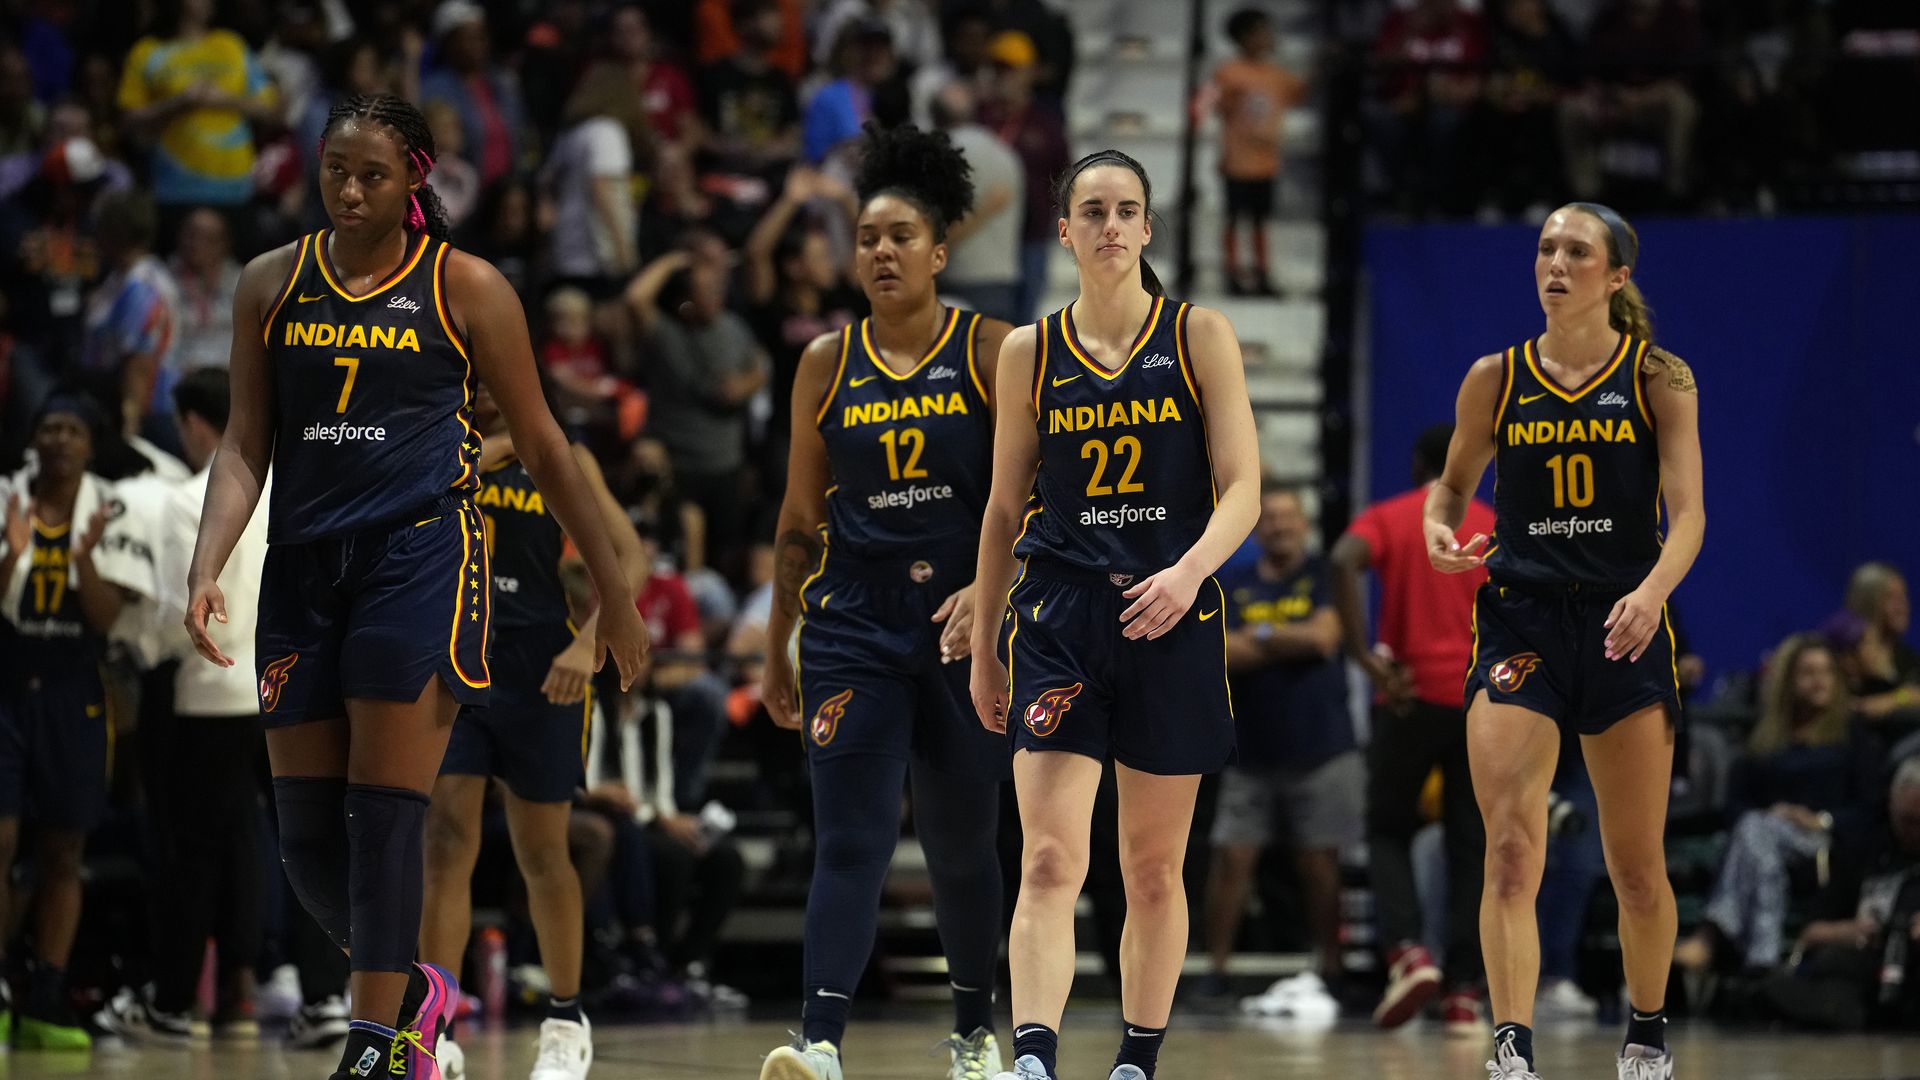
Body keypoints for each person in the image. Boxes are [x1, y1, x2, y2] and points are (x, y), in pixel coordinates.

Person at [181, 93, 648, 1080]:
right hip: (304, 566)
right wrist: (208, 561)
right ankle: (412, 986)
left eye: (373, 175)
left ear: (413, 182)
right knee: (305, 840)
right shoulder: (271, 282)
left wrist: (615, 597)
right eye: (335, 171)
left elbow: (548, 449)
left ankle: (380, 1044)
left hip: (416, 563)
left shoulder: (467, 287)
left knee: (384, 811)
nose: (350, 190)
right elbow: (242, 444)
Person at [970, 149, 1260, 1080]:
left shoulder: (1198, 333)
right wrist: (983, 649)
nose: (1107, 225)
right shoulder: (1029, 351)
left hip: (1170, 614)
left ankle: (1137, 1059)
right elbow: (1003, 510)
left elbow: (1246, 487)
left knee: (1149, 869)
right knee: (1051, 860)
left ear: (1146, 229)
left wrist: (1187, 574)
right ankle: (1034, 1060)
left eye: (1124, 210)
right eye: (1089, 211)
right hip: (1057, 618)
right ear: (1063, 231)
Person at [759, 122, 1015, 1080]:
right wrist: (778, 642)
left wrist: (991, 602)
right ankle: (818, 1043)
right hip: (853, 627)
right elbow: (797, 514)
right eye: (867, 236)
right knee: (853, 839)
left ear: (940, 251)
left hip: (959, 629)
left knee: (959, 843)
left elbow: (1031, 497)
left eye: (901, 235)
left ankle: (973, 1031)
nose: (881, 251)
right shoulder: (825, 362)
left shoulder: (991, 349)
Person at [1425, 203, 1703, 1080]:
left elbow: (1689, 515)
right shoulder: (1494, 377)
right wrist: (1442, 530)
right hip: (1522, 619)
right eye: (1546, 247)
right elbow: (1451, 487)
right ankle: (1512, 1051)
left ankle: (1646, 1038)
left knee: (1637, 868)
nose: (1554, 263)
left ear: (1616, 276)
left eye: (1576, 251)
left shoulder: (1661, 375)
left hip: (1624, 622)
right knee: (1510, 846)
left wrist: (1654, 594)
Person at [420, 379, 649, 1080]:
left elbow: (629, 556)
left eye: (497, 377)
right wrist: (501, 444)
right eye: (474, 377)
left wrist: (589, 642)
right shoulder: (440, 445)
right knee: (446, 843)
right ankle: (436, 1026)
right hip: (455, 657)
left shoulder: (562, 455)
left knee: (544, 853)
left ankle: (564, 1018)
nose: (486, 388)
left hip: (542, 667)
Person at [95, 368, 271, 1044]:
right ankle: (250, 993)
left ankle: (173, 1001)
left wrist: (130, 636)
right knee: (255, 844)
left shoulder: (186, 499)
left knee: (191, 853)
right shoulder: (284, 490)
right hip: (273, 693)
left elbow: (175, 616)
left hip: (203, 694)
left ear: (197, 424)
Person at [0, 394, 157, 1050]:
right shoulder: (7, 497)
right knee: (2, 843)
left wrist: (83, 559)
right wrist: (13, 553)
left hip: (76, 688)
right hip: (8, 683)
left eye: (72, 430)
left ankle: (47, 991)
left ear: (91, 446)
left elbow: (104, 618)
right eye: (48, 428)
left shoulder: (112, 509)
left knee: (65, 850)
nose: (59, 439)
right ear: (34, 440)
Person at [1330, 421, 1492, 1031]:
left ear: (1418, 462)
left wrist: (1366, 660)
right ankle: (1464, 993)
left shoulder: (1396, 515)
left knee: (1389, 826)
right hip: (1479, 703)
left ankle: (1406, 952)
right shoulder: (1489, 522)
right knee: (1470, 846)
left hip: (1407, 697)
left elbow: (1343, 562)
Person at [1204, 485, 1359, 1017]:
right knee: (1231, 861)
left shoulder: (1323, 576)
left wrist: (1261, 633)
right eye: (1268, 519)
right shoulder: (1233, 581)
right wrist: (1284, 639)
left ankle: (1331, 968)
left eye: (1288, 518)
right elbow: (1220, 651)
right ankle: (1215, 973)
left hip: (1321, 749)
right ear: (1256, 529)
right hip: (1248, 751)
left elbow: (1323, 639)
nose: (1279, 527)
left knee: (1321, 867)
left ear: (1305, 525)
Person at [1673, 634, 1883, 975]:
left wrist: (1821, 820)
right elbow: (1734, 805)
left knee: (1754, 832)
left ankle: (1712, 937)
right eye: (1808, 672)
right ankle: (1763, 964)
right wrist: (1772, 816)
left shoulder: (1851, 735)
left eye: (1826, 671)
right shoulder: (1767, 737)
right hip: (1767, 845)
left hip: (1823, 849)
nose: (1819, 680)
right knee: (1758, 835)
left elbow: (1870, 807)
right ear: (1787, 681)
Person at [1211, 7, 1306, 296]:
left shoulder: (1277, 75)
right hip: (1237, 160)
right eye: (1262, 31)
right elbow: (1214, 103)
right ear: (1244, 38)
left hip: (1266, 162)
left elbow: (1300, 91)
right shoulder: (1228, 73)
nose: (1269, 37)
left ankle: (1262, 273)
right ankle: (1232, 272)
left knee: (1260, 220)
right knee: (1234, 217)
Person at [1841, 561, 1919, 723]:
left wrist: (1895, 699)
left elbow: (1915, 693)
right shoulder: (1842, 649)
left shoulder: (1905, 657)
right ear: (1868, 601)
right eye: (1891, 598)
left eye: (1903, 597)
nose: (1902, 607)